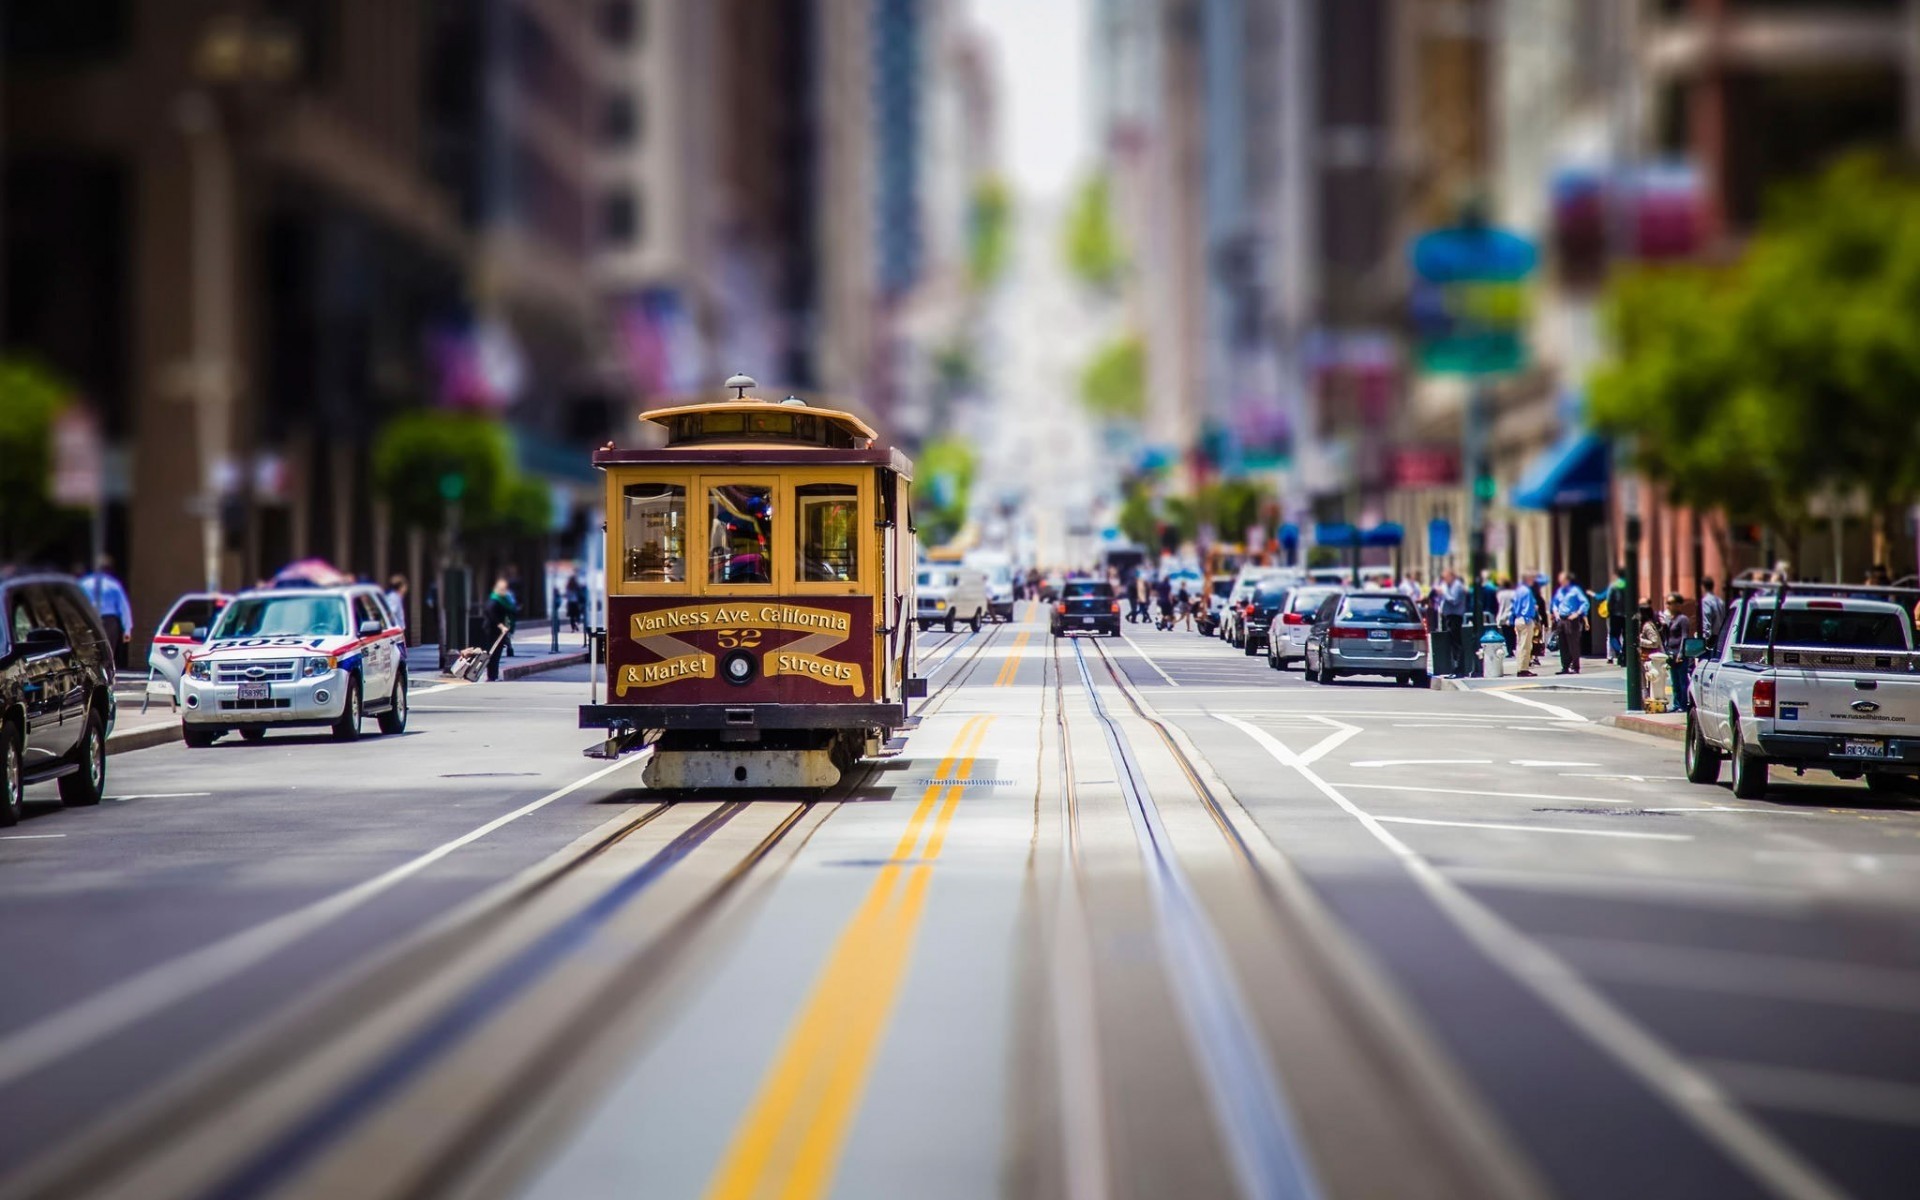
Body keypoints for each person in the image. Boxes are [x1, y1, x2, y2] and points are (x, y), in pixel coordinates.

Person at [78, 557, 133, 670]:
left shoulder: (83, 584)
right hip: (109, 621)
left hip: (89, 619)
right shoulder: (113, 585)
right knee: (108, 650)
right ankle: (107, 673)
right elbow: (123, 606)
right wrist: (127, 629)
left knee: (90, 648)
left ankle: (91, 671)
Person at [1551, 571, 1590, 674]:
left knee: (1573, 644)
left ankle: (1576, 666)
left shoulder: (1575, 590)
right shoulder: (1559, 591)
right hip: (1561, 619)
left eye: (1562, 580)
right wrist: (1555, 612)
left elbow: (1585, 603)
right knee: (1562, 644)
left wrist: (1577, 613)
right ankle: (1565, 666)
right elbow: (1554, 603)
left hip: (1571, 619)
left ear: (1567, 580)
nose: (1560, 581)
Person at [1663, 592, 1695, 712]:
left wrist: (1681, 653)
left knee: (1682, 681)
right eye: (1667, 603)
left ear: (1678, 604)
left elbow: (1684, 637)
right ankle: (1676, 704)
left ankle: (1683, 704)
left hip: (1679, 654)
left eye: (1671, 603)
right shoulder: (1671, 619)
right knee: (1674, 681)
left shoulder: (1683, 619)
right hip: (1671, 653)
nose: (1668, 606)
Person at [1436, 569, 1468, 677]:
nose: (1444, 580)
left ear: (1451, 576)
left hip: (1455, 616)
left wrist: (1443, 592)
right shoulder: (1449, 586)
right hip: (1448, 616)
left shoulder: (1457, 586)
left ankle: (1459, 669)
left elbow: (1454, 600)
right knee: (1451, 642)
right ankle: (1454, 668)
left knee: (1456, 642)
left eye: (1446, 577)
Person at [484, 579, 515, 681]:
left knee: (497, 654)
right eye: (502, 589)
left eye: (505, 589)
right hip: (493, 630)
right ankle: (492, 675)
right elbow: (491, 614)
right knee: (493, 654)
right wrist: (501, 626)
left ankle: (494, 675)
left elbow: (510, 610)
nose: (504, 591)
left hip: (499, 631)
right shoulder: (494, 600)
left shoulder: (503, 600)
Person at [1509, 576, 1540, 676]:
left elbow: (1513, 606)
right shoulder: (1527, 591)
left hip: (1517, 619)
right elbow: (1528, 607)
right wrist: (1533, 610)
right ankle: (1523, 669)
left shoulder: (1517, 591)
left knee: (1519, 645)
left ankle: (1519, 667)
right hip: (1525, 619)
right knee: (1526, 646)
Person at [1605, 566, 1628, 664]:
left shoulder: (1614, 585)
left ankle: (1619, 652)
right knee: (1627, 636)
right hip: (1627, 615)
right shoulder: (1629, 585)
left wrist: (1609, 611)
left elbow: (1609, 600)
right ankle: (1625, 655)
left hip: (1615, 614)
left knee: (1614, 636)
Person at [1697, 577, 1725, 646]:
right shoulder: (1720, 601)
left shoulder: (1706, 601)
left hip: (1712, 637)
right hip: (1721, 635)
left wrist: (1705, 638)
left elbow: (1707, 618)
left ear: (1703, 587)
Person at [1495, 576, 1517, 655]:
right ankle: (1513, 648)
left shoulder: (1500, 594)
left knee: (1506, 634)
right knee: (1513, 633)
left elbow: (1497, 604)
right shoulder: (1514, 593)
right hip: (1512, 616)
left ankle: (1509, 650)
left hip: (1502, 615)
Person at [384, 575, 408, 640]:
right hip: (396, 631)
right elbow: (391, 613)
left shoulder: (398, 597)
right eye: (405, 586)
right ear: (400, 587)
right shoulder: (393, 597)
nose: (406, 589)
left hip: (399, 630)